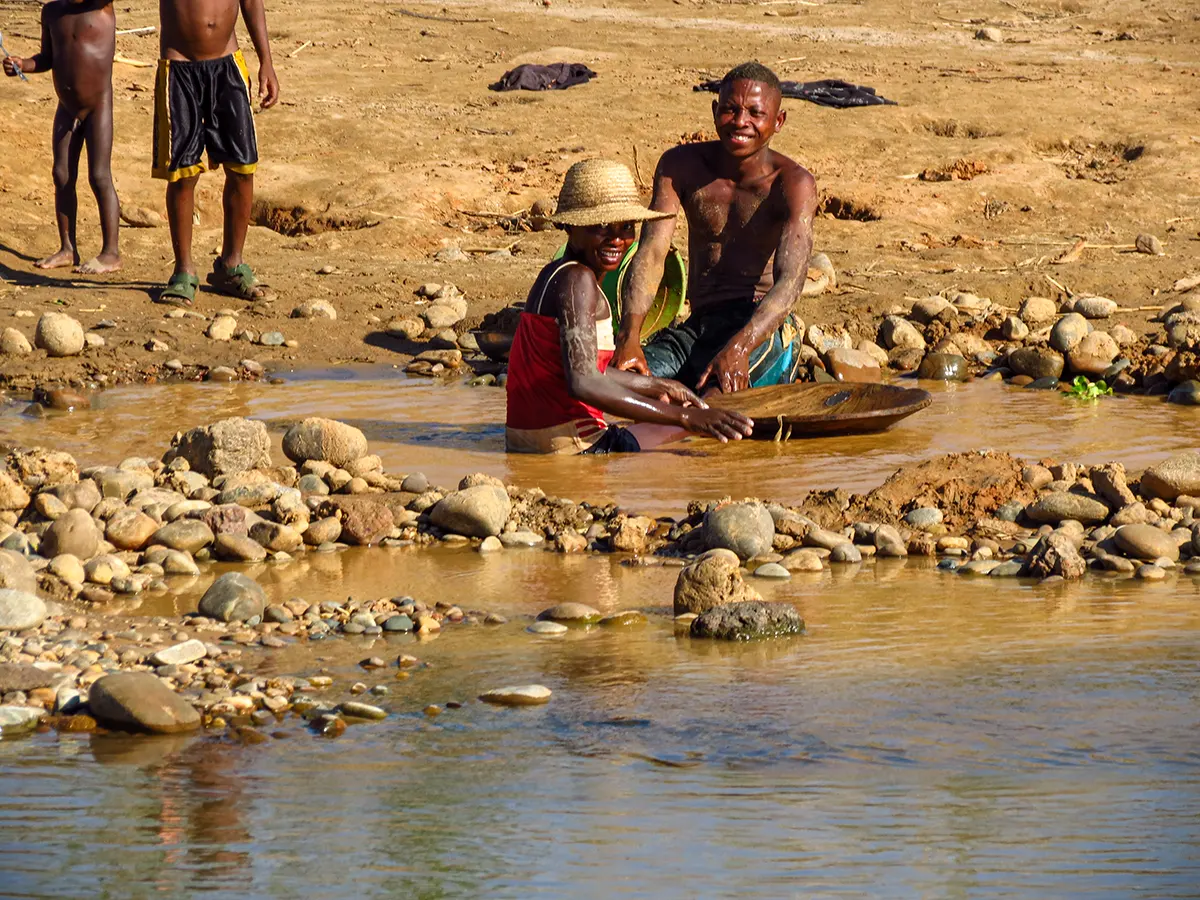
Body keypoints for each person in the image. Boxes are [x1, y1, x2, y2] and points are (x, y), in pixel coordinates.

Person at [506, 158, 754, 455]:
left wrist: (658, 386)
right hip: (573, 446)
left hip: (524, 441)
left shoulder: (554, 273)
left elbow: (579, 367)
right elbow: (583, 382)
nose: (618, 240)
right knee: (690, 450)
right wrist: (688, 416)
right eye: (601, 227)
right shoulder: (579, 281)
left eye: (626, 227)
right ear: (570, 227)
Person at [614, 61, 818, 393]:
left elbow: (790, 281)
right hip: (698, 327)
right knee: (621, 387)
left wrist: (741, 346)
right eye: (730, 110)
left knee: (715, 406)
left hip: (758, 328)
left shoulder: (793, 183)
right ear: (714, 111)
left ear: (778, 121)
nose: (741, 122)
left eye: (755, 113)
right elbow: (651, 254)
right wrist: (629, 337)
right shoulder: (679, 166)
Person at [153, 0, 278, 305]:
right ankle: (183, 271)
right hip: (180, 67)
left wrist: (267, 61)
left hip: (227, 65)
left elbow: (250, 2)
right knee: (183, 173)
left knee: (242, 167)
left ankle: (231, 265)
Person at [3, 0, 121, 274]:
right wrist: (23, 63)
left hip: (98, 106)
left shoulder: (102, 7)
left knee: (100, 176)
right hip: (66, 107)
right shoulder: (52, 12)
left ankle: (111, 253)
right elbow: (47, 57)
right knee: (62, 174)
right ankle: (68, 249)